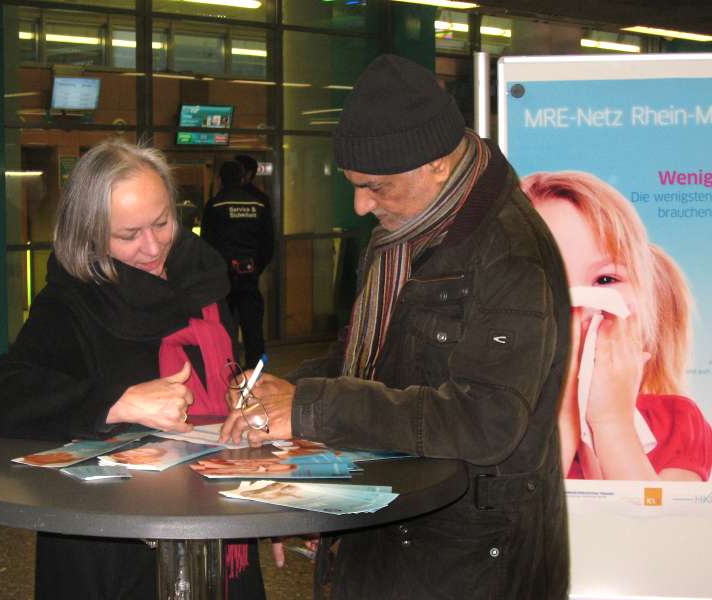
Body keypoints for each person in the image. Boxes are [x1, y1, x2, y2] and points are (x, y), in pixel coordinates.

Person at [221, 54, 571, 599]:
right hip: (395, 522)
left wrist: (314, 406)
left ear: (436, 164)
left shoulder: (508, 256)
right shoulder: (408, 236)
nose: (361, 206)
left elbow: (485, 421)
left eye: (375, 186)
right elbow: (376, 361)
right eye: (354, 186)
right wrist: (285, 396)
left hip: (465, 554)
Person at [0, 139, 266, 600]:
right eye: (128, 235)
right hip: (113, 550)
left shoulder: (202, 276)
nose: (152, 248)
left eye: (162, 223)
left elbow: (223, 380)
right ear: (89, 234)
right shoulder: (73, 302)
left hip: (219, 532)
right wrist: (115, 401)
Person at [522, 171, 712, 481]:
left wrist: (612, 422)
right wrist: (566, 411)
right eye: (547, 281)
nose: (579, 309)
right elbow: (520, 523)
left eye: (606, 280)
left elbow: (662, 527)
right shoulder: (491, 420)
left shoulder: (677, 422)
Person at [202, 160, 274, 368]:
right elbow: (268, 244)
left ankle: (229, 377)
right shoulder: (258, 205)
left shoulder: (215, 205)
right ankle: (257, 379)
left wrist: (220, 270)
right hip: (250, 280)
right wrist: (255, 268)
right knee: (254, 332)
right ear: (242, 178)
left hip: (224, 283)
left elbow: (207, 244)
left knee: (225, 331)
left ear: (220, 180)